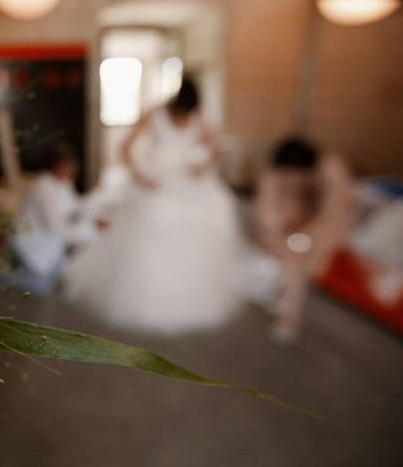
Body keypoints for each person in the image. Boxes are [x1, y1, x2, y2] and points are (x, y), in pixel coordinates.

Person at [63, 77, 246, 333]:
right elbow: (125, 146)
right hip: (154, 178)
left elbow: (213, 148)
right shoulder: (155, 113)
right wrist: (138, 175)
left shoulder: (198, 117)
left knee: (200, 229)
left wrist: (201, 166)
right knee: (149, 226)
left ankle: (187, 295)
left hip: (186, 180)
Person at [253, 137, 354, 342]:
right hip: (297, 215)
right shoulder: (274, 172)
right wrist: (275, 235)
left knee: (295, 260)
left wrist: (298, 238)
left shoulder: (332, 170)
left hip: (325, 221)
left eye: (296, 179)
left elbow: (333, 215)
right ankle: (281, 291)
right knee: (277, 244)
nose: (291, 183)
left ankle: (287, 316)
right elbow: (265, 210)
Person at [6, 143, 98, 294]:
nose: (73, 170)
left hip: (51, 240)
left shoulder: (63, 183)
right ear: (56, 166)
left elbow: (76, 206)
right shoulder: (42, 187)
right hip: (33, 243)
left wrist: (96, 212)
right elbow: (55, 226)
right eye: (68, 166)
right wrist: (90, 230)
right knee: (41, 287)